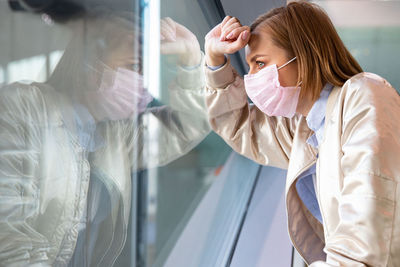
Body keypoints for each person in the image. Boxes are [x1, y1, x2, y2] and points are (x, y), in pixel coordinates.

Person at [0, 10, 210, 266]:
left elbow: (189, 124)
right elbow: (8, 237)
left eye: (146, 69)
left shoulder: (117, 135)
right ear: (90, 62)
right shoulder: (21, 108)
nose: (141, 81)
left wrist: (191, 61)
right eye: (133, 66)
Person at [204, 1, 400, 266]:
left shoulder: (365, 95)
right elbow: (240, 127)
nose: (251, 79)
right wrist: (215, 60)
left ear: (304, 55)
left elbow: (366, 228)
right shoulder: (305, 128)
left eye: (260, 64)